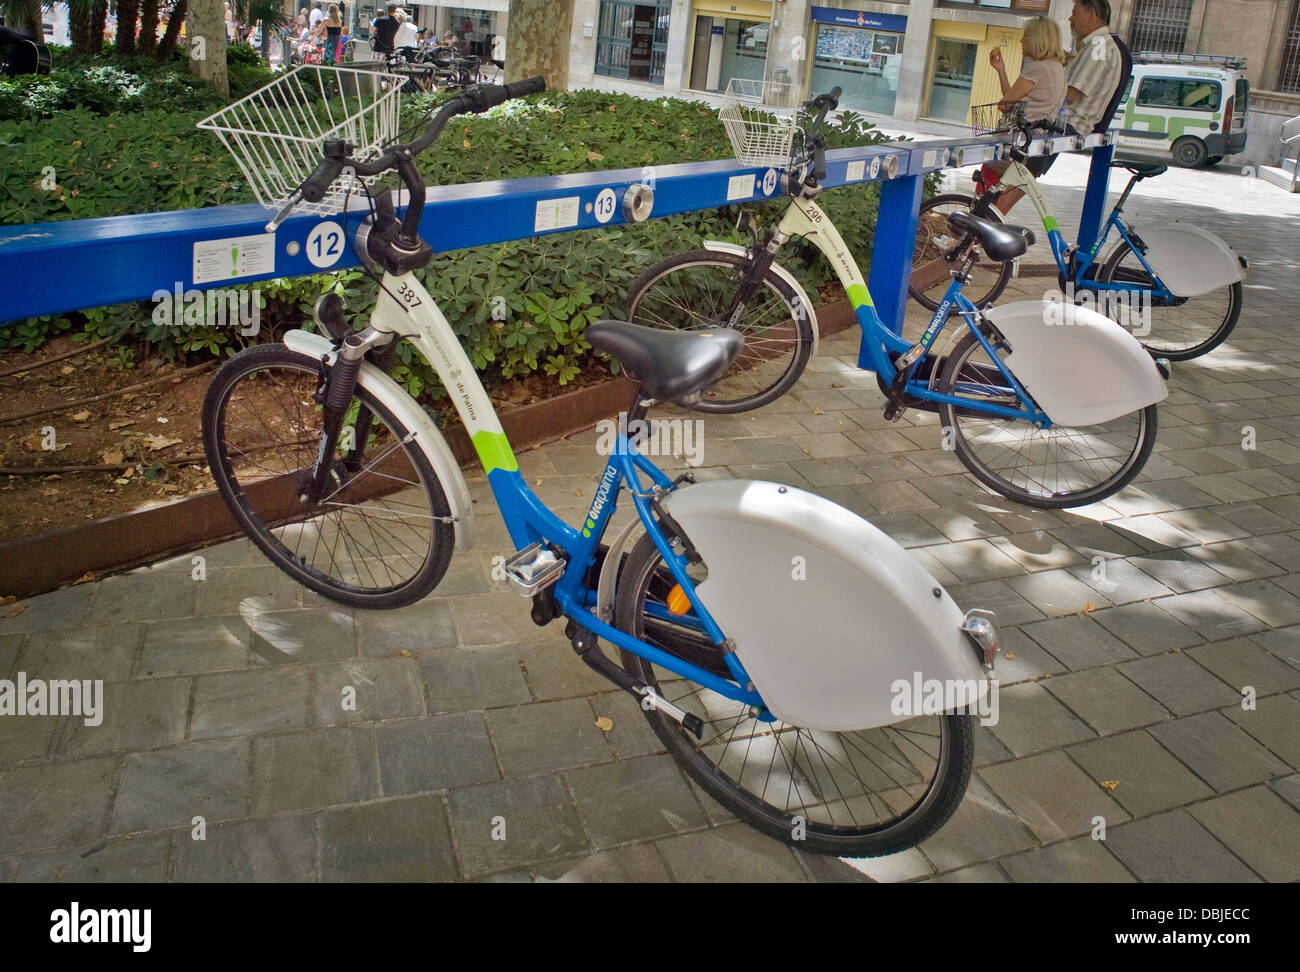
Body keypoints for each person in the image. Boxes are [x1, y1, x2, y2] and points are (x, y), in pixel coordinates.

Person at [991, 0, 1124, 216]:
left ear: (1091, 14)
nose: (1071, 18)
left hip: (1062, 125)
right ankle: (985, 231)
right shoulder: (1094, 46)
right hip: (1060, 125)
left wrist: (1042, 95)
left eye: (1075, 13)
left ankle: (981, 232)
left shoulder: (1099, 47)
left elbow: (1069, 95)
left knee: (1008, 188)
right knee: (1017, 184)